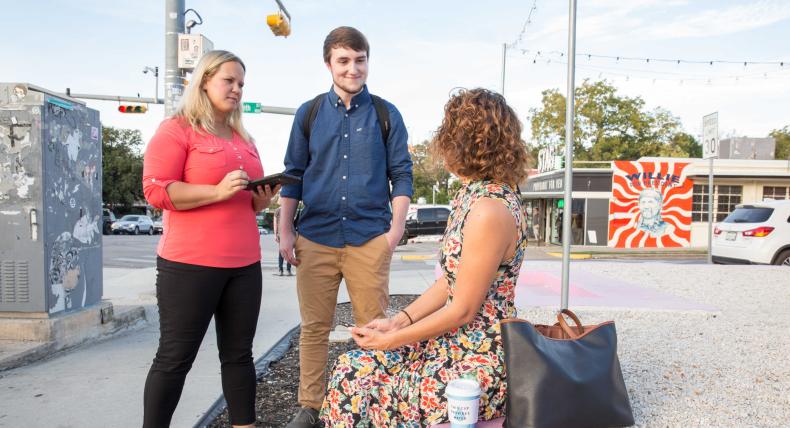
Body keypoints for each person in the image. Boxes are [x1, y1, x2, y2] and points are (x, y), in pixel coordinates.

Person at [320, 88, 530, 426]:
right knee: (353, 367)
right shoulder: (474, 196)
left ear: (463, 143)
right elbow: (451, 282)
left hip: (477, 355)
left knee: (356, 377)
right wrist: (399, 321)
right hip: (456, 342)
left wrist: (390, 340)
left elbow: (463, 309)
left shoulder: (489, 209)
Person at [278, 26, 413, 428]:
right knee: (314, 328)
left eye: (359, 60)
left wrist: (395, 231)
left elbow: (402, 175)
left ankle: (372, 405)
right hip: (315, 236)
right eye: (343, 61)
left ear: (367, 62)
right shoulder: (309, 114)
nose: (352, 68)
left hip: (369, 238)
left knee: (373, 328)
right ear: (329, 64)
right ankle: (310, 407)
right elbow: (293, 175)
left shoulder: (387, 115)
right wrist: (285, 231)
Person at [141, 50, 277, 428]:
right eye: (228, 81)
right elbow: (156, 190)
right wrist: (216, 192)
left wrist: (261, 200)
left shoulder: (243, 138)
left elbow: (246, 202)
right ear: (204, 81)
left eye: (241, 84)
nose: (236, 89)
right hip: (190, 264)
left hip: (244, 264)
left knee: (239, 356)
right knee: (174, 359)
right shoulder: (177, 129)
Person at [273, 206, 292, 276]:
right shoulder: (291, 208)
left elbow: (275, 224)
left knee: (281, 251)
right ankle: (288, 270)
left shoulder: (277, 210)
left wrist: (275, 234)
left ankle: (280, 270)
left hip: (281, 234)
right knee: (289, 251)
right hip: (289, 233)